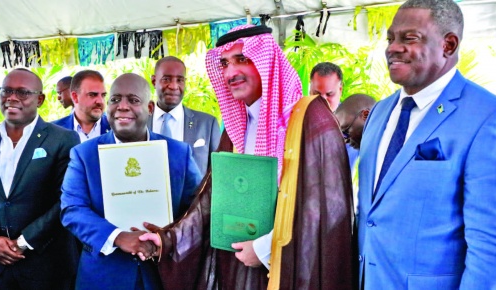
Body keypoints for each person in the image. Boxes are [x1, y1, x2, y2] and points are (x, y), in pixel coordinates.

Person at [140, 25, 355, 290]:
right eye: (225, 63)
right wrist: (170, 239)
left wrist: (266, 248)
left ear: (268, 61)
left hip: (292, 270)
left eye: (242, 59)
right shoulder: (235, 127)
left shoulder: (311, 119)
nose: (231, 72)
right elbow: (213, 198)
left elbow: (326, 211)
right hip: (238, 267)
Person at [357, 0, 496, 289]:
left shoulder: (492, 119)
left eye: (409, 38)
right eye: (390, 38)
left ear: (448, 45)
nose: (392, 48)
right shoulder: (380, 113)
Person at [60, 73, 202, 290]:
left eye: (133, 100)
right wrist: (118, 237)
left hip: (163, 275)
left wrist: (167, 239)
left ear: (150, 108)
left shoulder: (178, 153)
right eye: (115, 99)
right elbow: (72, 209)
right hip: (104, 276)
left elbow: (197, 211)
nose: (122, 107)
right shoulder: (84, 154)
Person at [0, 68, 80, 289]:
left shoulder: (63, 139)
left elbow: (66, 200)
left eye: (22, 92)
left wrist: (23, 242)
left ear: (39, 99)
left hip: (47, 264)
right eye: (7, 91)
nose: (12, 97)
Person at [148, 56, 221, 176]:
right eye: (166, 79)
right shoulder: (139, 123)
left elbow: (218, 173)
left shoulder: (208, 124)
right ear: (154, 81)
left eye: (180, 80)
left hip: (194, 195)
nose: (173, 86)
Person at [310, 62, 359, 171]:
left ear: (340, 90)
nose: (322, 100)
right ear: (310, 89)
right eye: (316, 93)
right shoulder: (295, 117)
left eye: (329, 94)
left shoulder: (354, 124)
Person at [53, 70, 111, 142]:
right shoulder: (53, 131)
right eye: (92, 95)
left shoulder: (115, 128)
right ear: (75, 97)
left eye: (103, 95)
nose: (100, 101)